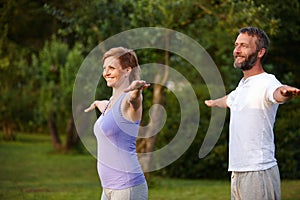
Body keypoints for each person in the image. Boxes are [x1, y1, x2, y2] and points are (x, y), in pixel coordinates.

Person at [205, 27, 300, 200]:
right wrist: (213, 103)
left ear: (260, 52)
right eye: (236, 45)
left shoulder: (267, 81)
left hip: (258, 171)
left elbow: (277, 93)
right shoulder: (242, 86)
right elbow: (229, 99)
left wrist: (285, 92)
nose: (237, 50)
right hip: (238, 172)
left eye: (244, 46)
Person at [84, 47, 150, 200]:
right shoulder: (109, 104)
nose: (106, 72)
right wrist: (96, 103)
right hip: (107, 189)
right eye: (104, 68)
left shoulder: (128, 101)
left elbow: (134, 100)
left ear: (127, 70)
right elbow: (106, 106)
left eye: (111, 68)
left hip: (128, 188)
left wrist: (136, 90)